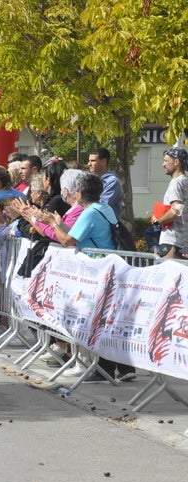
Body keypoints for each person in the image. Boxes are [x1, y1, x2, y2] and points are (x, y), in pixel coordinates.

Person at [38, 171, 136, 382]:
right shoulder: (104, 208)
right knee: (104, 319)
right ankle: (112, 368)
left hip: (97, 272)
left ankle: (103, 369)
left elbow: (67, 241)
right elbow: (76, 235)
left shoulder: (90, 213)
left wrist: (54, 224)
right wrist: (58, 222)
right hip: (106, 270)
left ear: (80, 193)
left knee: (96, 319)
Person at [151, 147, 188, 259]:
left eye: (166, 160)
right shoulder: (185, 180)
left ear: (177, 162)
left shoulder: (176, 182)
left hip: (172, 240)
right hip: (184, 241)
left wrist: (157, 222)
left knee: (167, 275)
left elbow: (177, 209)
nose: (163, 164)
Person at [88, 147, 122, 219]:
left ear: (104, 162)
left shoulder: (112, 181)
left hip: (106, 226)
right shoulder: (90, 180)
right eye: (89, 161)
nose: (89, 164)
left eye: (93, 161)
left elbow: (101, 206)